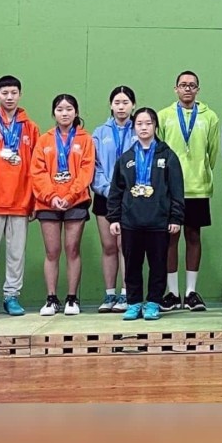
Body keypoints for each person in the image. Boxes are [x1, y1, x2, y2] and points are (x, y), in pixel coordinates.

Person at [107, 108, 185, 321]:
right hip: (131, 222)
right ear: (134, 127)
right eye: (139, 124)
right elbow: (116, 190)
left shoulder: (168, 156)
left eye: (148, 123)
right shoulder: (126, 158)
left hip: (158, 222)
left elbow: (176, 189)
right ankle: (133, 303)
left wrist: (175, 217)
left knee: (158, 264)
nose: (144, 127)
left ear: (155, 126)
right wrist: (114, 218)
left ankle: (153, 303)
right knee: (132, 264)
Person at [0, 75, 40, 318]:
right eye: (5, 93)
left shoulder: (31, 128)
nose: (9, 97)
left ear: (20, 95)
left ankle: (12, 296)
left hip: (21, 199)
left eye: (14, 93)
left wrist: (34, 200)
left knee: (16, 253)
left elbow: (37, 168)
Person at [158, 71, 219, 312]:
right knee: (170, 238)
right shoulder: (164, 116)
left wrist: (201, 172)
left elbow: (212, 154)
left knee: (193, 237)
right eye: (183, 85)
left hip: (197, 188)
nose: (187, 89)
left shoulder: (209, 117)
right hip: (169, 190)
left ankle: (191, 292)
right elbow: (159, 151)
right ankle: (173, 293)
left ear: (198, 90)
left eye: (192, 85)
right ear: (175, 89)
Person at [31, 94, 95, 316]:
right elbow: (37, 172)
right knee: (52, 251)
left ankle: (72, 298)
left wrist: (70, 196)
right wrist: (51, 196)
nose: (64, 113)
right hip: (48, 202)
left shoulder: (85, 139)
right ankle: (51, 299)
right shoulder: (44, 140)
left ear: (76, 112)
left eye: (69, 109)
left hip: (75, 201)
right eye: (60, 109)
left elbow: (86, 171)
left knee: (72, 249)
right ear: (54, 113)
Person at [91, 86, 137, 314]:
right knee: (109, 246)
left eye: (125, 103)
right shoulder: (100, 132)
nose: (121, 107)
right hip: (105, 196)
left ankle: (127, 293)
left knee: (125, 246)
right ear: (111, 105)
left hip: (132, 197)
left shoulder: (139, 130)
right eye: (117, 103)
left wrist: (126, 190)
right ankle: (109, 294)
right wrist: (109, 189)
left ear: (133, 106)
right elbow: (95, 165)